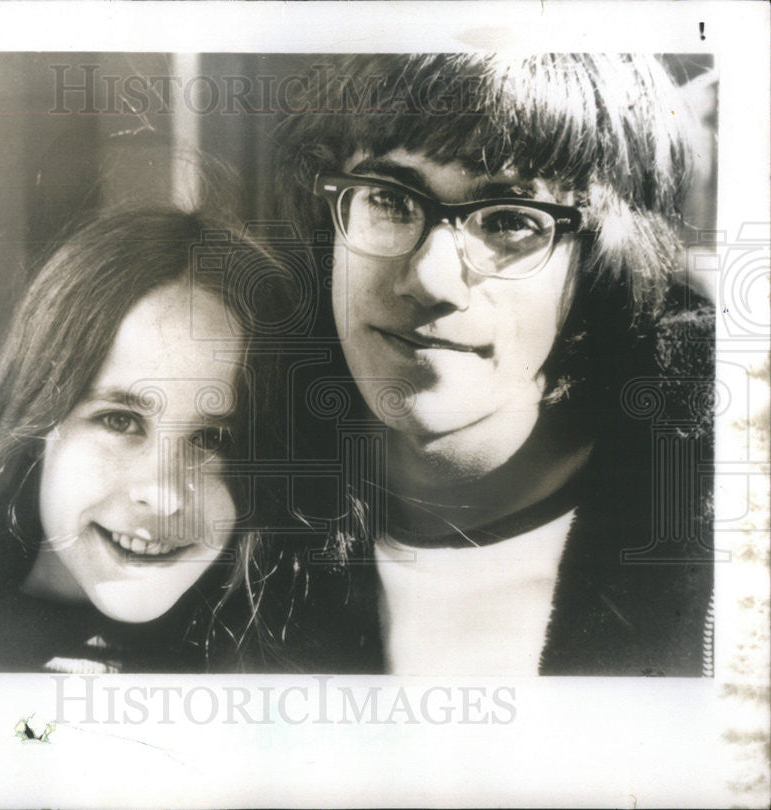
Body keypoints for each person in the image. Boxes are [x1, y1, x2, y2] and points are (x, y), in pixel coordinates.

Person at [272, 54, 715, 676]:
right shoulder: (231, 511)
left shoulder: (720, 564)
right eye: (389, 201)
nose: (430, 280)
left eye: (509, 220)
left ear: (597, 265)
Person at [0, 207, 296, 673]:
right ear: (39, 422)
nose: (163, 494)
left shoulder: (275, 668)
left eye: (212, 438)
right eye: (120, 421)